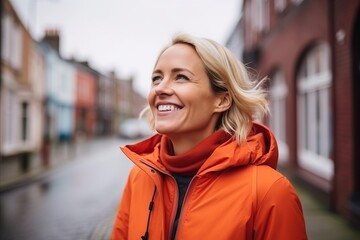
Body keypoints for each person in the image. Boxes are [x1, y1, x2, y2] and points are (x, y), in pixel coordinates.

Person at [111, 33, 307, 240]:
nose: (159, 88)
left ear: (221, 100)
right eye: (156, 78)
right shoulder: (139, 177)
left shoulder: (269, 192)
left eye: (181, 77)